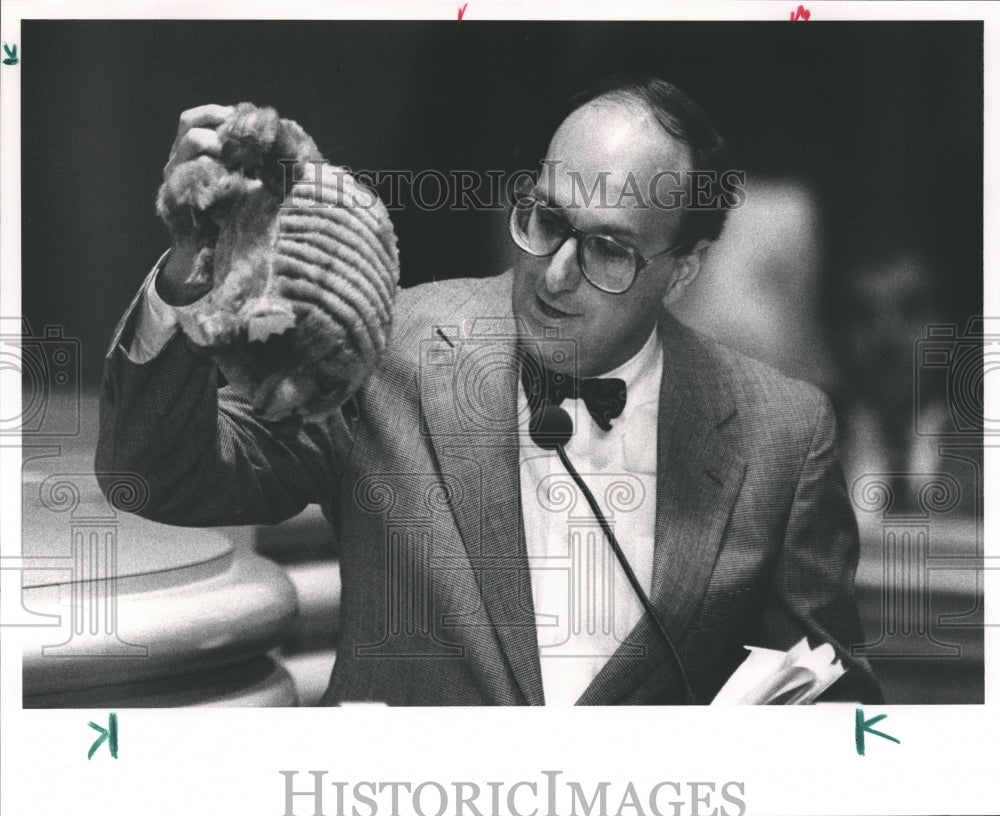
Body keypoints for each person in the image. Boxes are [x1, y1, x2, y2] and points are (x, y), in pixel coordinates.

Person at [96, 75, 882, 705]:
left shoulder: (784, 433)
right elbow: (159, 470)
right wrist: (189, 271)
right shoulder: (388, 347)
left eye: (608, 250)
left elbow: (834, 695)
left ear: (682, 271)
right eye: (544, 218)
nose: (557, 274)